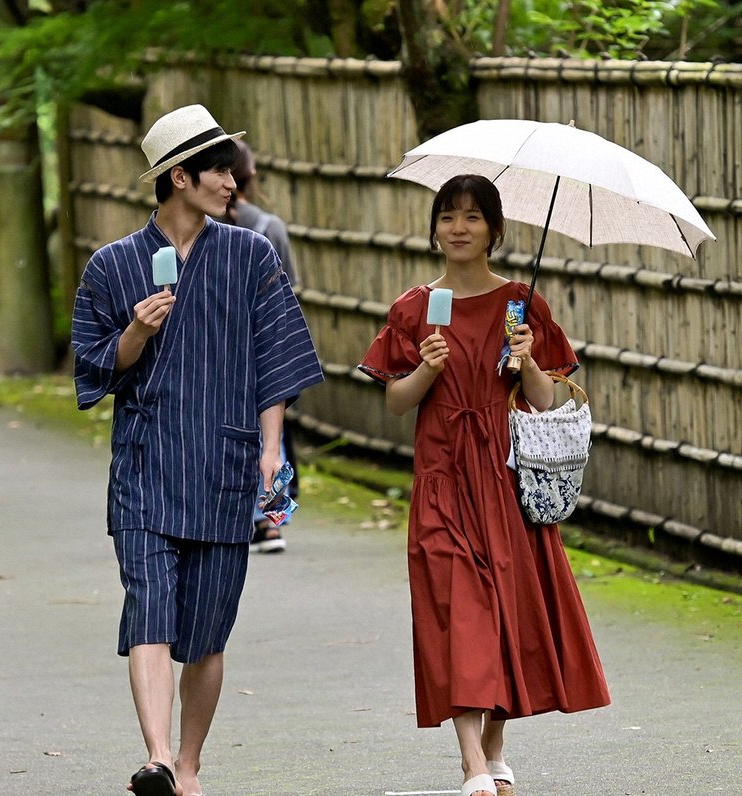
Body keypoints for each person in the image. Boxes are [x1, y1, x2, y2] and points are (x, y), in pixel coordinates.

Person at [71, 104, 324, 796]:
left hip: (226, 465)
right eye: (219, 170)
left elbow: (275, 359)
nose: (232, 182)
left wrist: (271, 450)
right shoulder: (112, 266)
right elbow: (94, 369)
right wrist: (135, 334)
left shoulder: (252, 255)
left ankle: (189, 765)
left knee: (208, 633)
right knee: (148, 606)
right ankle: (155, 758)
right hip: (147, 464)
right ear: (180, 177)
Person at [357, 174, 610, 796]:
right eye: (448, 217)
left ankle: (494, 753)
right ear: (434, 228)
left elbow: (545, 400)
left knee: (503, 612)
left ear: (495, 230)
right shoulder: (414, 309)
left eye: (473, 217)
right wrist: (426, 368)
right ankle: (472, 763)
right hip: (442, 480)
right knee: (459, 611)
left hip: (503, 478)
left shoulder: (521, 306)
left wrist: (525, 359)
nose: (459, 228)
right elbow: (395, 404)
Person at [223, 138, 299, 553]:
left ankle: (238, 517)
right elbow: (289, 298)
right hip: (264, 346)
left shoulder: (199, 226)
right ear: (251, 177)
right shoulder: (269, 227)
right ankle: (272, 521)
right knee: (274, 434)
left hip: (217, 348)